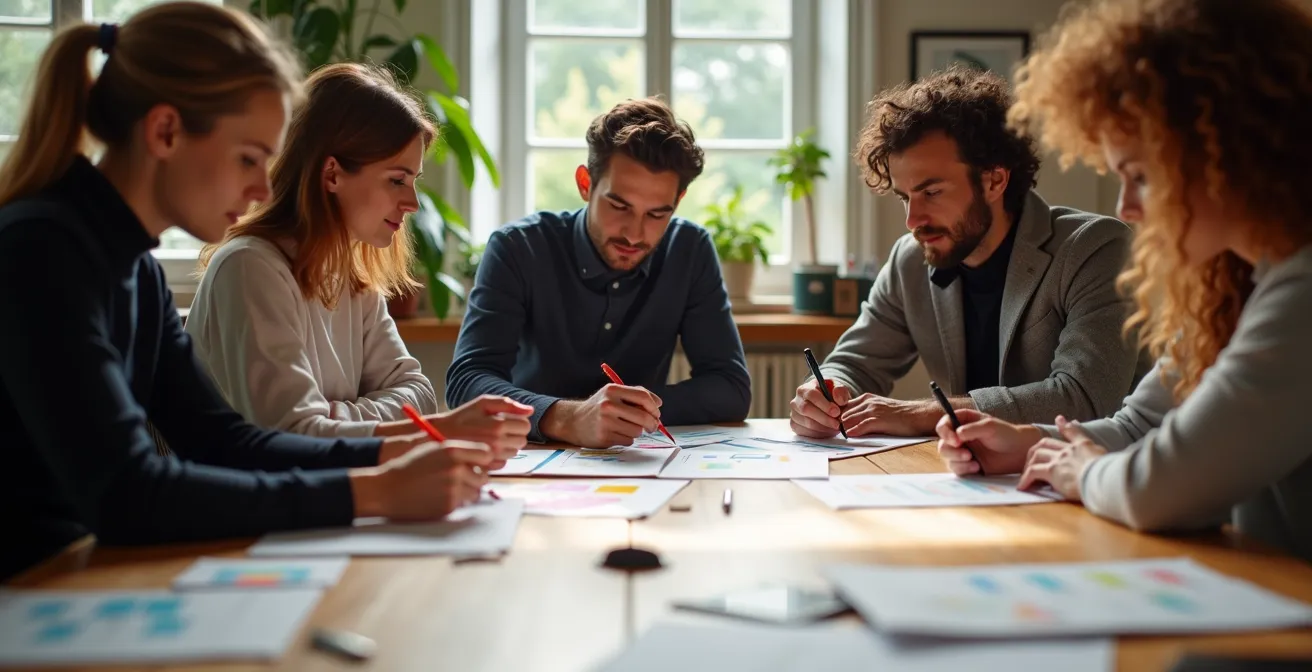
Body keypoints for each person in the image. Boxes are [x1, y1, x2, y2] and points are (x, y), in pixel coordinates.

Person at [0, 3, 490, 583]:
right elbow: (127, 494)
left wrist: (391, 457)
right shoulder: (42, 251)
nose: (263, 185)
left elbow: (226, 441)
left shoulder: (136, 269)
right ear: (165, 132)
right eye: (249, 158)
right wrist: (371, 491)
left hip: (73, 577)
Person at [936, 0, 1312, 562]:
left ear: (1230, 154)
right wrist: (1033, 444)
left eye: (1139, 176)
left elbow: (1160, 487)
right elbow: (1144, 424)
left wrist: (1083, 471)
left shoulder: (1301, 292)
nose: (1126, 208)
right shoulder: (1236, 283)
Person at [187, 63, 531, 460]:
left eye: (414, 181)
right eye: (397, 179)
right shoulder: (250, 268)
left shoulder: (350, 273)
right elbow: (293, 437)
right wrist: (343, 424)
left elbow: (419, 392)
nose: (413, 203)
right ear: (332, 174)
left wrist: (334, 418)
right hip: (251, 513)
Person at [790, 66, 1147, 439]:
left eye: (931, 193)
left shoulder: (1095, 247)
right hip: (973, 476)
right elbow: (854, 363)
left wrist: (925, 414)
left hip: (1098, 478)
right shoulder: (909, 259)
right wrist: (824, 391)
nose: (913, 220)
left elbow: (1086, 399)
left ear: (994, 180)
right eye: (904, 197)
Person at [446, 97, 751, 448]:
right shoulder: (517, 248)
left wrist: (624, 414)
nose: (635, 234)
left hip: (638, 462)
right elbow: (467, 381)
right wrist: (567, 417)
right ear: (585, 184)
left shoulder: (690, 248)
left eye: (657, 214)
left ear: (678, 201)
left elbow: (730, 387)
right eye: (619, 206)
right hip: (531, 456)